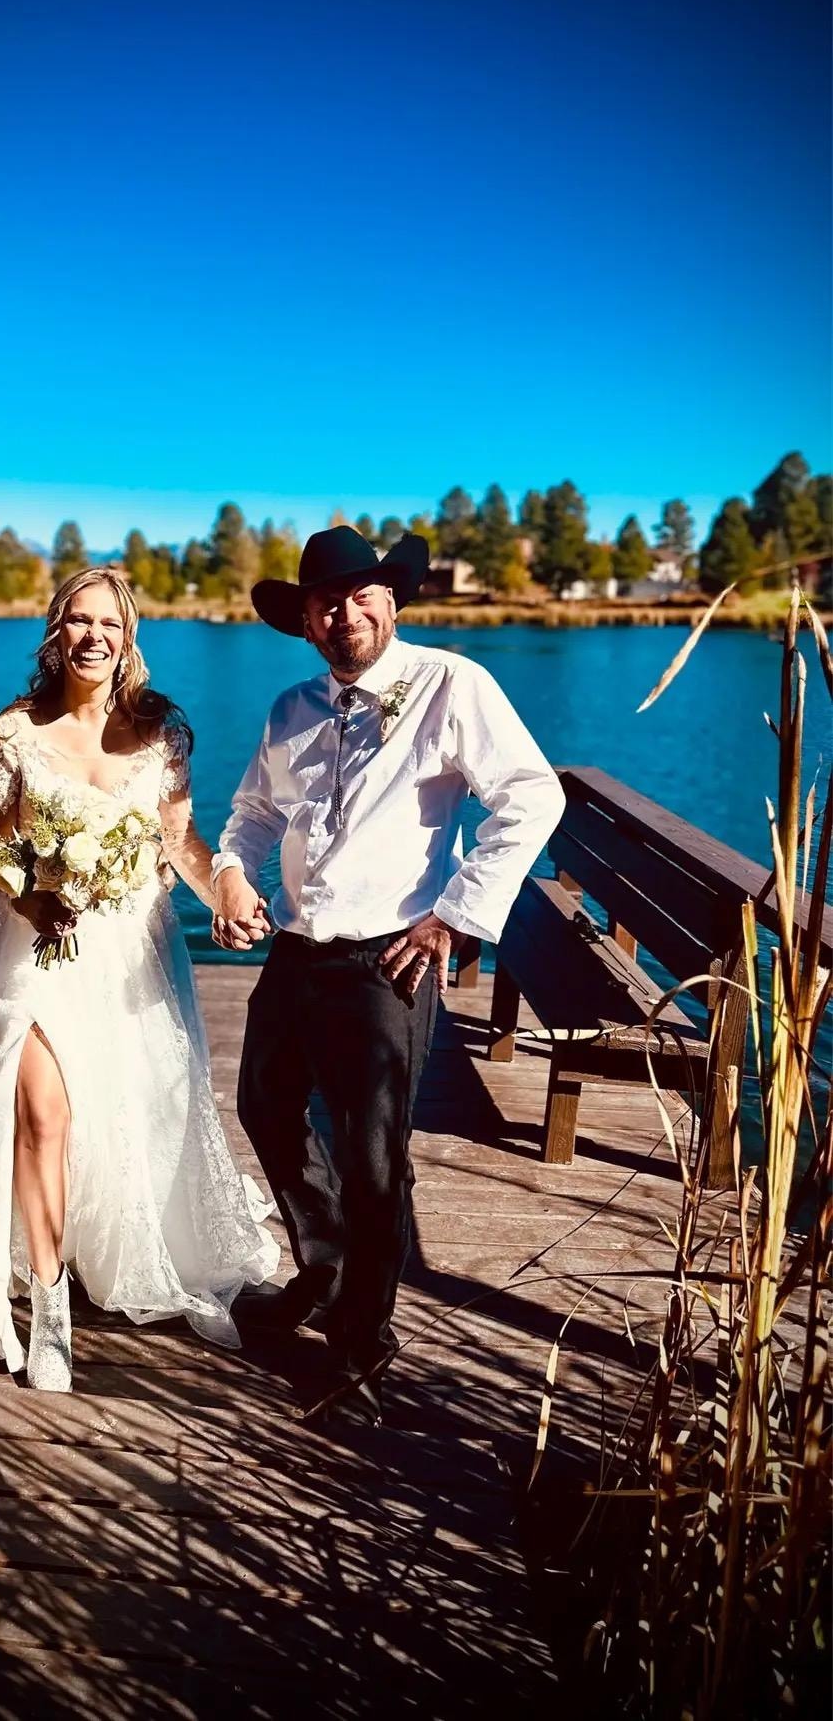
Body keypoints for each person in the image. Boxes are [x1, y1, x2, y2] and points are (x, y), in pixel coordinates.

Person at [0, 567, 277, 1391]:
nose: (95, 636)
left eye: (110, 624)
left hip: (131, 952)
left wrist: (227, 891)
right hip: (35, 947)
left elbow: (178, 842)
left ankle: (104, 1245)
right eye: (80, 621)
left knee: (128, 1108)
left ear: (129, 639)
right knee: (43, 1113)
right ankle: (49, 1303)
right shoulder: (14, 730)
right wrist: (34, 895)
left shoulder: (162, 732)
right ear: (57, 631)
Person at [212, 525, 565, 1431]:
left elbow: (533, 796)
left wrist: (457, 912)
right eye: (325, 603)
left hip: (388, 961)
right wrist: (234, 872)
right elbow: (253, 811)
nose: (345, 614)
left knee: (374, 1160)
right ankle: (327, 1274)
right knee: (264, 1107)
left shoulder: (451, 685)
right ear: (305, 622)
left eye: (361, 595)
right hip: (297, 945)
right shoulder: (291, 707)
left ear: (392, 602)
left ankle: (362, 1346)